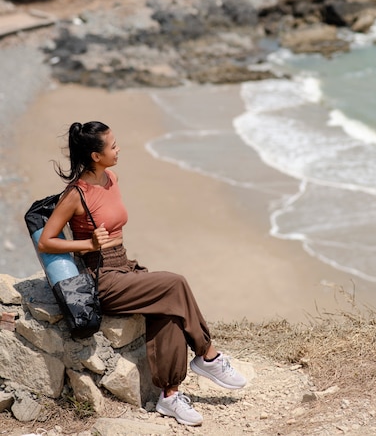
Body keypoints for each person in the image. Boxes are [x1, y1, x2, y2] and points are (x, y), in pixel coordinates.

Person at [38, 121, 246, 427]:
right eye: (112, 145)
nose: (118, 149)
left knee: (170, 311)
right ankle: (208, 356)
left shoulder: (112, 177)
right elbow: (46, 240)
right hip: (103, 277)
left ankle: (170, 397)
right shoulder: (76, 195)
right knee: (175, 283)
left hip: (124, 264)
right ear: (96, 155)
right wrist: (87, 243)